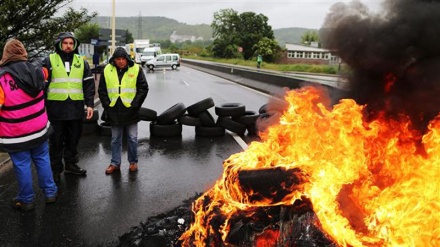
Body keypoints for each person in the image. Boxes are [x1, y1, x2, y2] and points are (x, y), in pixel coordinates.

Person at [0, 39, 58, 211]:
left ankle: (26, 199)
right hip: (39, 129)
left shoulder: (2, 79)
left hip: (15, 133)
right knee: (42, 159)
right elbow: (46, 70)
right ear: (23, 52)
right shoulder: (38, 71)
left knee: (22, 164)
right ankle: (50, 193)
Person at [42, 32, 95, 182]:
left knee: (73, 139)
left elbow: (89, 84)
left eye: (71, 43)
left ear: (74, 45)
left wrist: (90, 104)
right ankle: (56, 169)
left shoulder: (81, 61)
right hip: (56, 108)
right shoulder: (49, 60)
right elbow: (42, 86)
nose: (68, 46)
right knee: (56, 140)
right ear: (59, 44)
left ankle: (71, 165)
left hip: (75, 108)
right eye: (65, 43)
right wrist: (42, 106)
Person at [98, 47, 148, 174]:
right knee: (115, 139)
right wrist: (107, 105)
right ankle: (115, 163)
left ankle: (133, 162)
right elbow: (102, 90)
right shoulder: (107, 70)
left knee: (132, 138)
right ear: (113, 60)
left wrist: (135, 105)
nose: (120, 61)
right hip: (114, 110)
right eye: (118, 59)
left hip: (130, 110)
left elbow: (143, 88)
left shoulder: (136, 69)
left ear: (127, 59)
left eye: (123, 59)